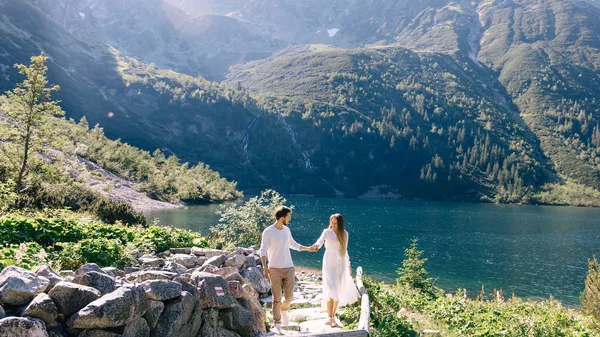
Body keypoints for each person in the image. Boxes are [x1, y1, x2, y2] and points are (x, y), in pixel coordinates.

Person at [260, 206, 314, 335]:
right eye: (289, 217)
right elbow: (263, 250)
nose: (290, 219)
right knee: (276, 298)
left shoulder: (287, 230)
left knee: (289, 297)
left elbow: (293, 244)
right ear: (282, 218)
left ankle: (284, 310)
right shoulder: (268, 231)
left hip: (289, 267)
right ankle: (277, 323)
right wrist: (264, 267)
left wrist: (308, 248)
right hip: (274, 269)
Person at [311, 213, 360, 327]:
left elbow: (345, 250)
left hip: (341, 263)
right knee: (330, 288)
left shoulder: (345, 234)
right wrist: (315, 245)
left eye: (335, 223)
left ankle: (332, 316)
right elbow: (320, 240)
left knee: (337, 289)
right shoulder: (326, 232)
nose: (333, 225)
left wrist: (348, 265)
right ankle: (329, 316)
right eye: (332, 222)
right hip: (329, 262)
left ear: (340, 224)